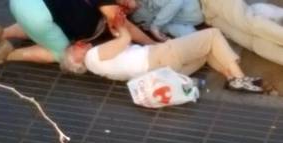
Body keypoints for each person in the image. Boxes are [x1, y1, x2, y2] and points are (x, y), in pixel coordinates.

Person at [60, 17, 263, 92]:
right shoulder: (93, 55)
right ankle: (239, 78)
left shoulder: (96, 69)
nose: (81, 44)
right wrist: (118, 26)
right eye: (75, 47)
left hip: (164, 72)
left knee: (206, 52)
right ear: (76, 57)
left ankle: (231, 78)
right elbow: (124, 41)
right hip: (159, 55)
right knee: (212, 35)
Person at [0, 0, 156, 65]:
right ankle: (8, 54)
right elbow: (127, 28)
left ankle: (1, 33)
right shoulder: (112, 9)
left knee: (47, 25)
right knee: (59, 52)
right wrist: (153, 45)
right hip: (40, 18)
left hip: (24, 4)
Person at [127, 0, 204, 39]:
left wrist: (156, 25)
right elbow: (150, 25)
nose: (123, 2)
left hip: (199, 10)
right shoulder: (136, 17)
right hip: (180, 21)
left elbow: (176, 1)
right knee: (196, 41)